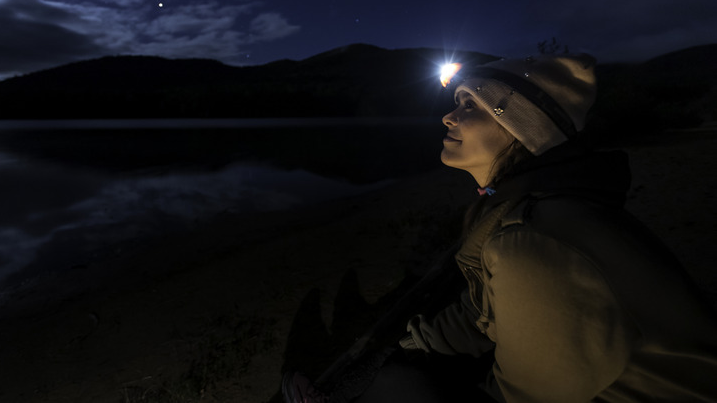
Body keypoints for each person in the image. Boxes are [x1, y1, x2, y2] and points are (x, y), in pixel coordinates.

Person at [284, 53, 717, 402]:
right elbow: (482, 314)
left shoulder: (533, 243)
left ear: (521, 128)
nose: (448, 118)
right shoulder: (527, 209)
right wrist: (413, 346)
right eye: (456, 103)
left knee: (398, 386)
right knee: (403, 369)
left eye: (470, 105)